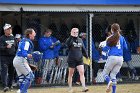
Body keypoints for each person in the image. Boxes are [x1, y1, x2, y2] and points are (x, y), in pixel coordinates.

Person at [102, 23, 128, 93]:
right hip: (120, 58)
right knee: (113, 75)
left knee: (105, 74)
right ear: (119, 29)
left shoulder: (111, 37)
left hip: (112, 57)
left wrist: (101, 48)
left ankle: (109, 81)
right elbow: (126, 48)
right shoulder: (122, 37)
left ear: (112, 30)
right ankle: (114, 92)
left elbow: (106, 49)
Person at [13, 28, 36, 93]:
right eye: (33, 33)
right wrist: (31, 55)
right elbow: (24, 53)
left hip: (16, 60)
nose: (35, 34)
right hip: (21, 60)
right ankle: (22, 91)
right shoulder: (27, 42)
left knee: (22, 78)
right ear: (29, 34)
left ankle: (22, 91)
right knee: (30, 76)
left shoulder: (23, 40)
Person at [65, 28, 89, 92]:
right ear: (71, 32)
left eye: (76, 32)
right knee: (71, 74)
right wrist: (71, 36)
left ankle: (84, 87)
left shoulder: (80, 40)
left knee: (82, 72)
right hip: (72, 59)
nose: (75, 33)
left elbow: (83, 49)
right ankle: (70, 88)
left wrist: (87, 56)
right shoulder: (69, 39)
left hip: (79, 59)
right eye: (74, 32)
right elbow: (67, 45)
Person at [0, 23, 17, 92]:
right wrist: (6, 47)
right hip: (4, 57)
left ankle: (10, 85)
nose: (10, 30)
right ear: (5, 30)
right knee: (4, 71)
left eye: (11, 29)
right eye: (8, 29)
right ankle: (5, 86)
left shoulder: (13, 37)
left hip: (12, 57)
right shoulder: (2, 38)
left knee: (12, 72)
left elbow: (16, 46)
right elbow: (0, 47)